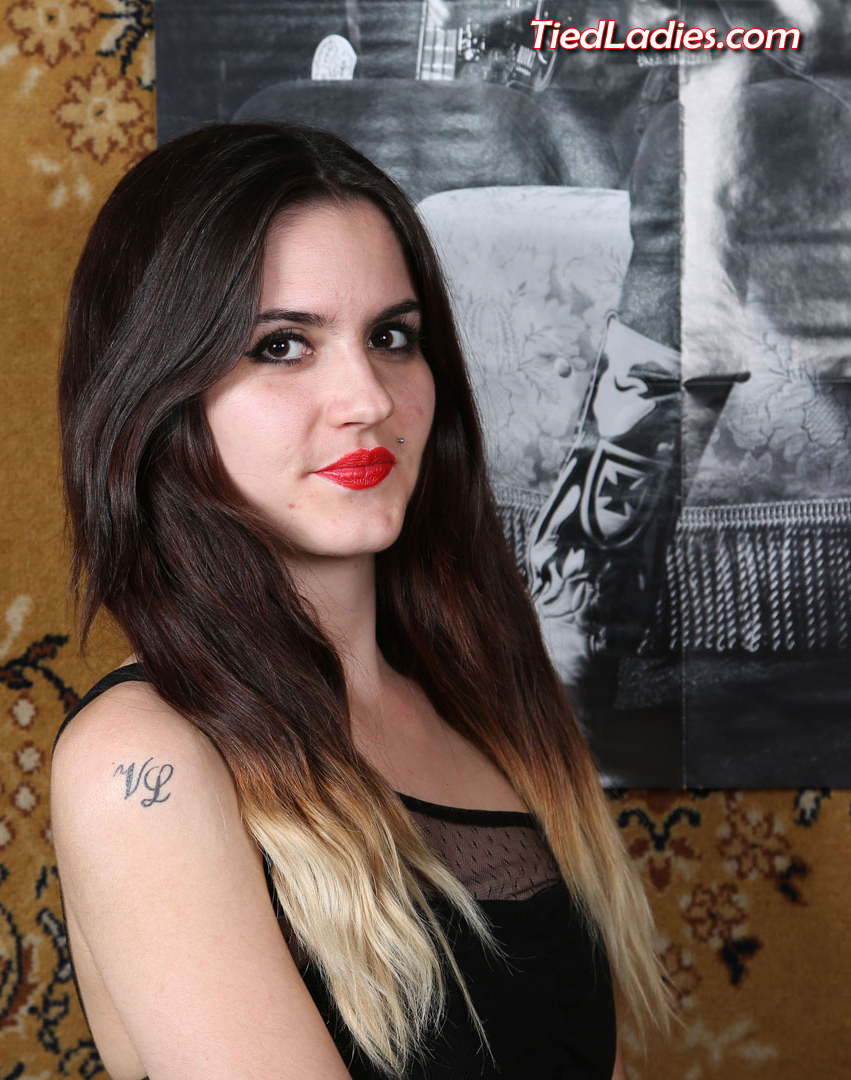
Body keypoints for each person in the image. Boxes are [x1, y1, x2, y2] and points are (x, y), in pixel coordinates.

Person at [51, 121, 670, 1080]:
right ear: (156, 394)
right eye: (282, 345)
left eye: (391, 337)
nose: (368, 398)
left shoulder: (480, 702)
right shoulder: (144, 759)